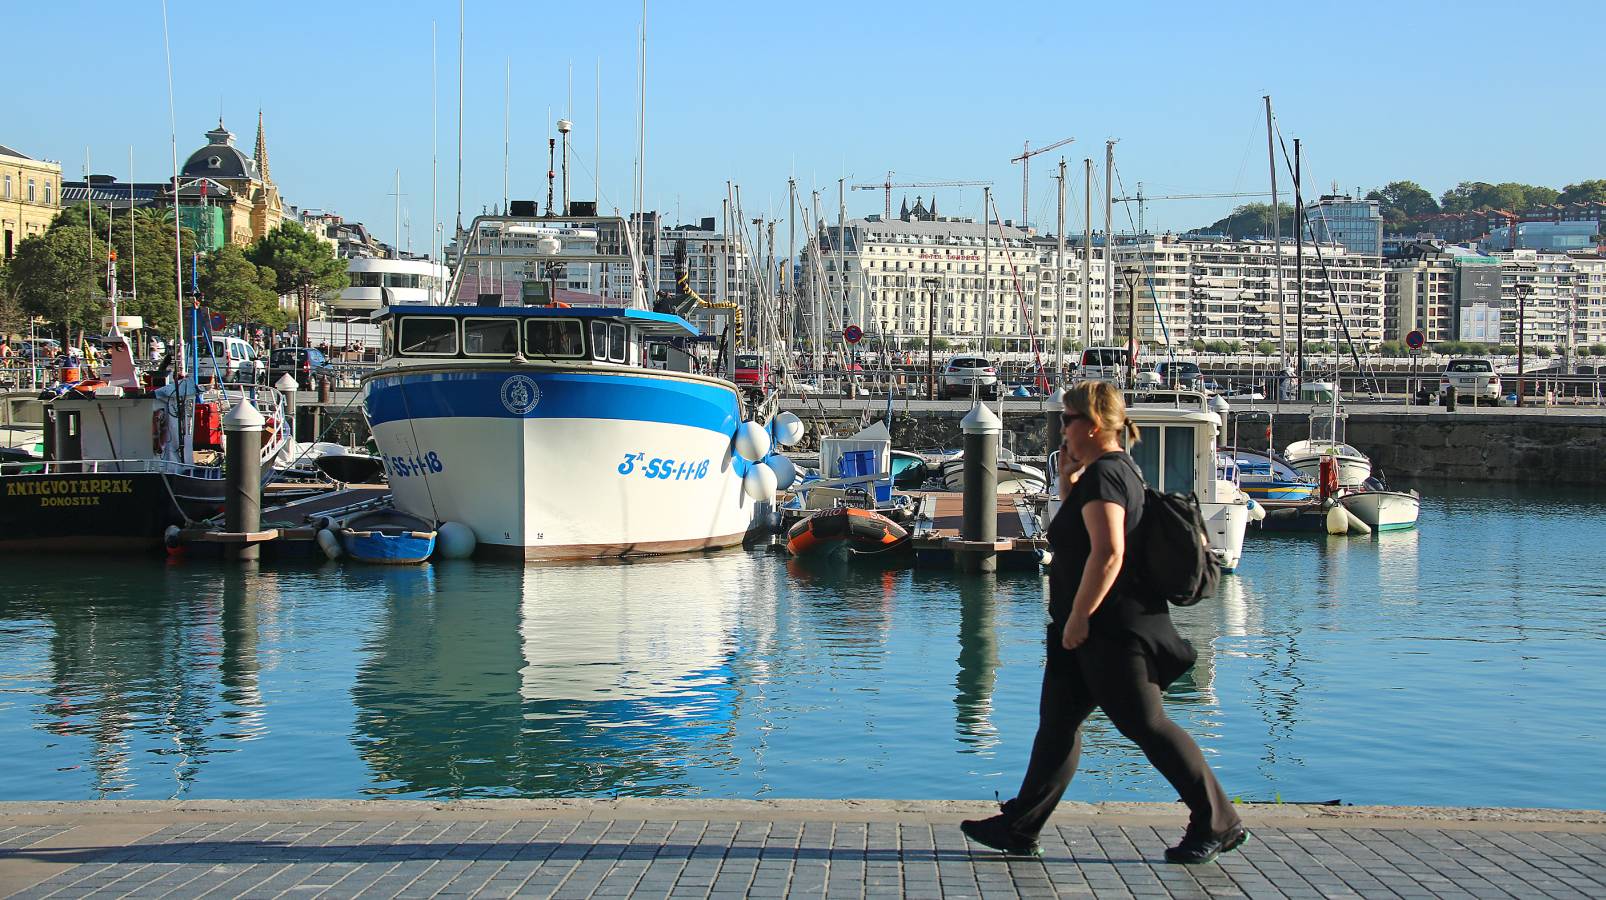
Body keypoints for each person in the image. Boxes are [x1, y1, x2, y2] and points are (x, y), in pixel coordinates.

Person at [962, 381, 1245, 864]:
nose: (1062, 430)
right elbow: (1080, 537)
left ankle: (1218, 821)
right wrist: (1068, 483)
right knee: (1057, 727)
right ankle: (1020, 825)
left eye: (1068, 420)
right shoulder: (1104, 473)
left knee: (1147, 724)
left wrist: (1078, 617)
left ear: (1093, 426)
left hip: (1111, 629)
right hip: (1088, 627)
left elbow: (1109, 552)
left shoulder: (1109, 476)